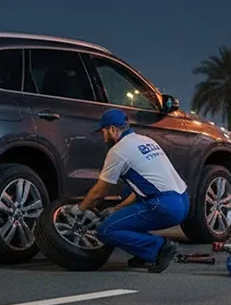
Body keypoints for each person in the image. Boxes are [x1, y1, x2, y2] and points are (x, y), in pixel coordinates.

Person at [67, 109, 190, 273]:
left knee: (106, 230)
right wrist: (116, 210)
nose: (102, 137)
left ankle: (160, 247)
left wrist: (78, 209)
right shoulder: (146, 140)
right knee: (127, 191)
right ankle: (144, 255)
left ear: (112, 130)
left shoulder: (118, 150)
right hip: (183, 201)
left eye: (102, 131)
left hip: (164, 206)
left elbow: (100, 191)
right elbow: (142, 188)